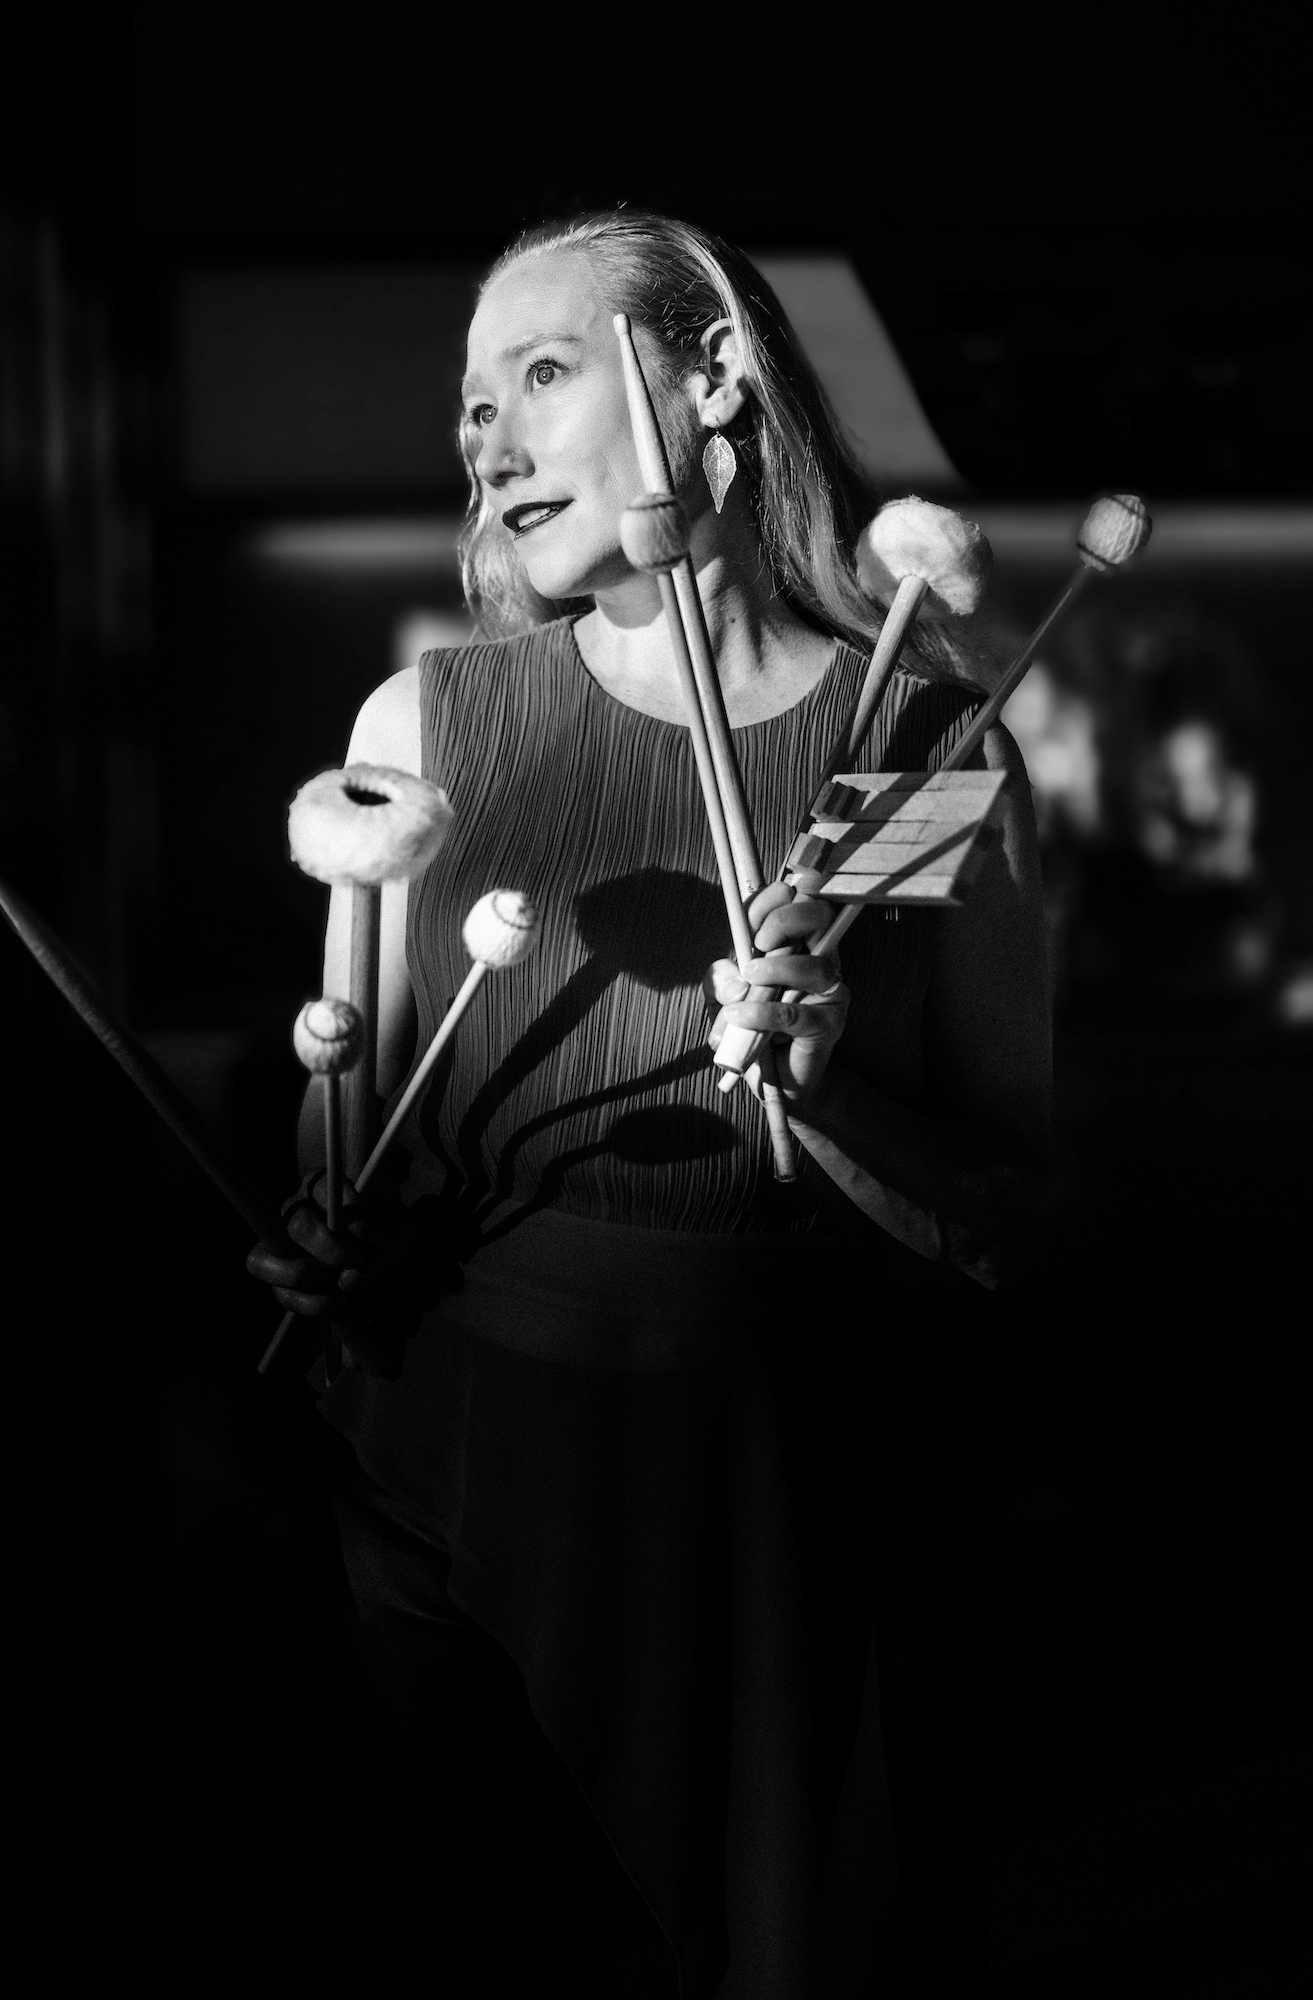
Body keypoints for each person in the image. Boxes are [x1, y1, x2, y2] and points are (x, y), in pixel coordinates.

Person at [248, 211, 1053, 1997]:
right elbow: (343, 1178)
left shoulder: (922, 745)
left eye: (539, 374)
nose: (486, 438)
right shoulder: (426, 722)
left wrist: (836, 1097)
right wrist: (324, 1249)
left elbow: (1019, 1220)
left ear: (715, 386)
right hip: (445, 1481)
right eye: (471, 404)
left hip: (767, 1518)